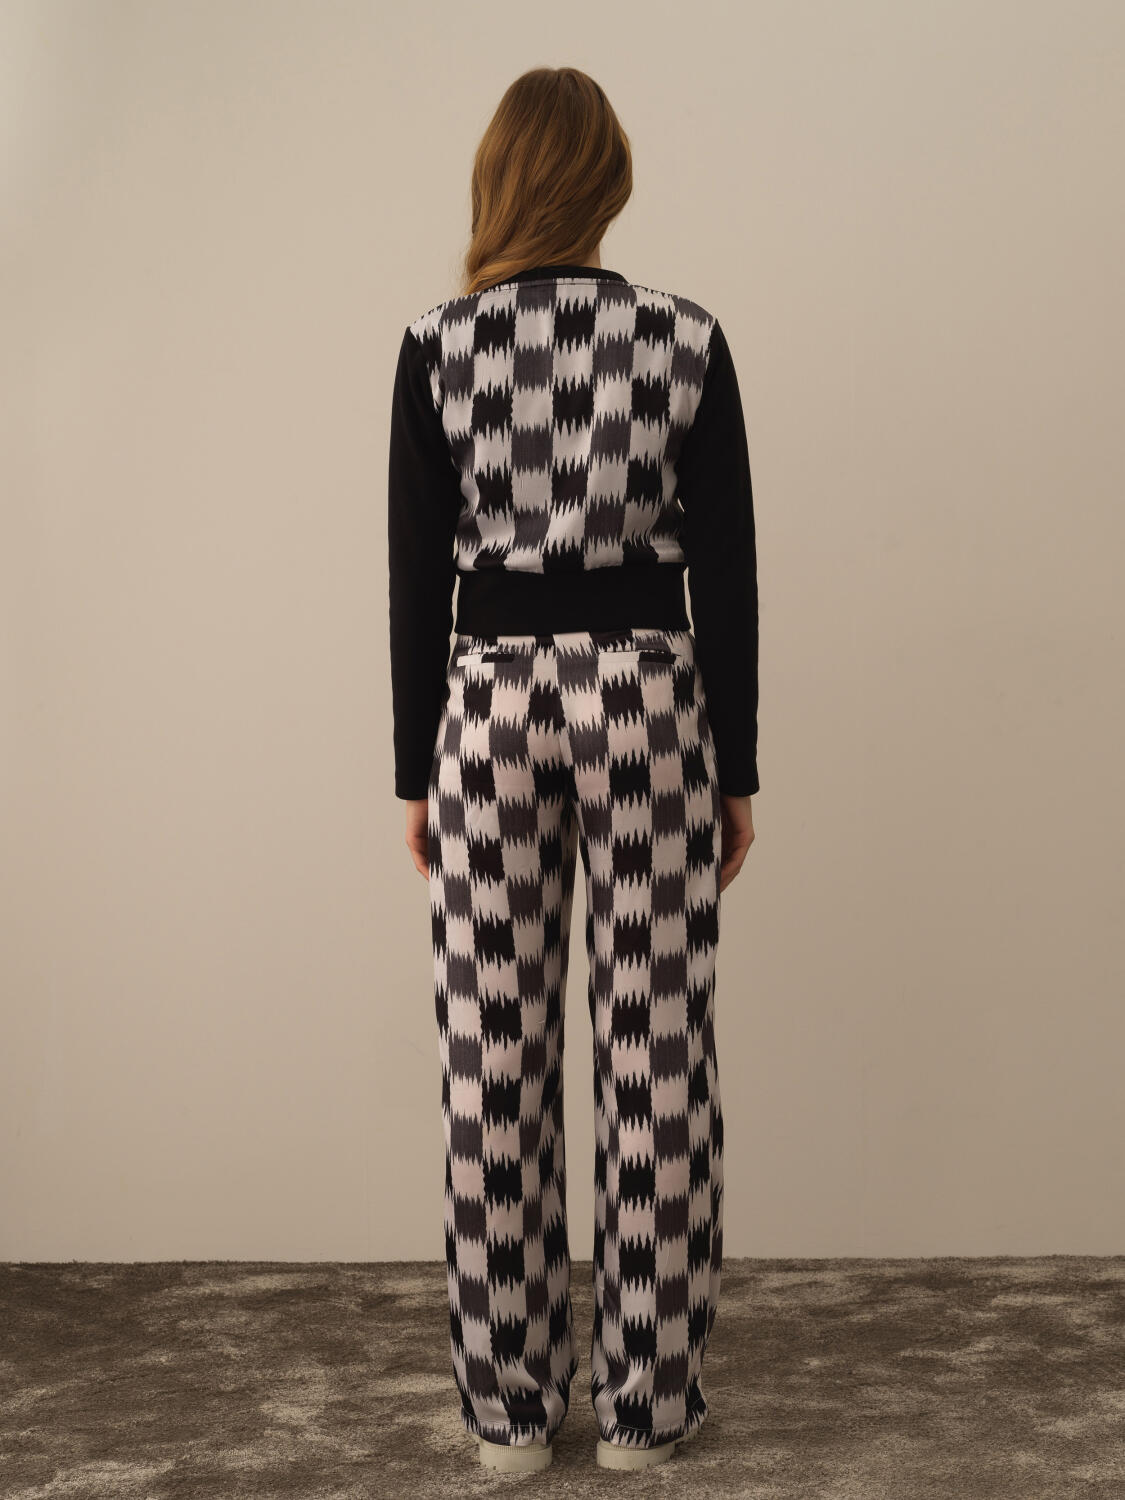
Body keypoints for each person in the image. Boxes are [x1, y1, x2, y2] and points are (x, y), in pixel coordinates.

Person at [387, 65, 758, 1475]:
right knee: (655, 1051)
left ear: (498, 180)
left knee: (493, 1058)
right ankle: (647, 1409)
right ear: (608, 181)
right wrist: (737, 765)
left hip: (486, 708)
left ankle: (510, 1413)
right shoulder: (683, 338)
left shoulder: (437, 347)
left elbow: (417, 578)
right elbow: (723, 572)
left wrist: (414, 768)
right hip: (648, 702)